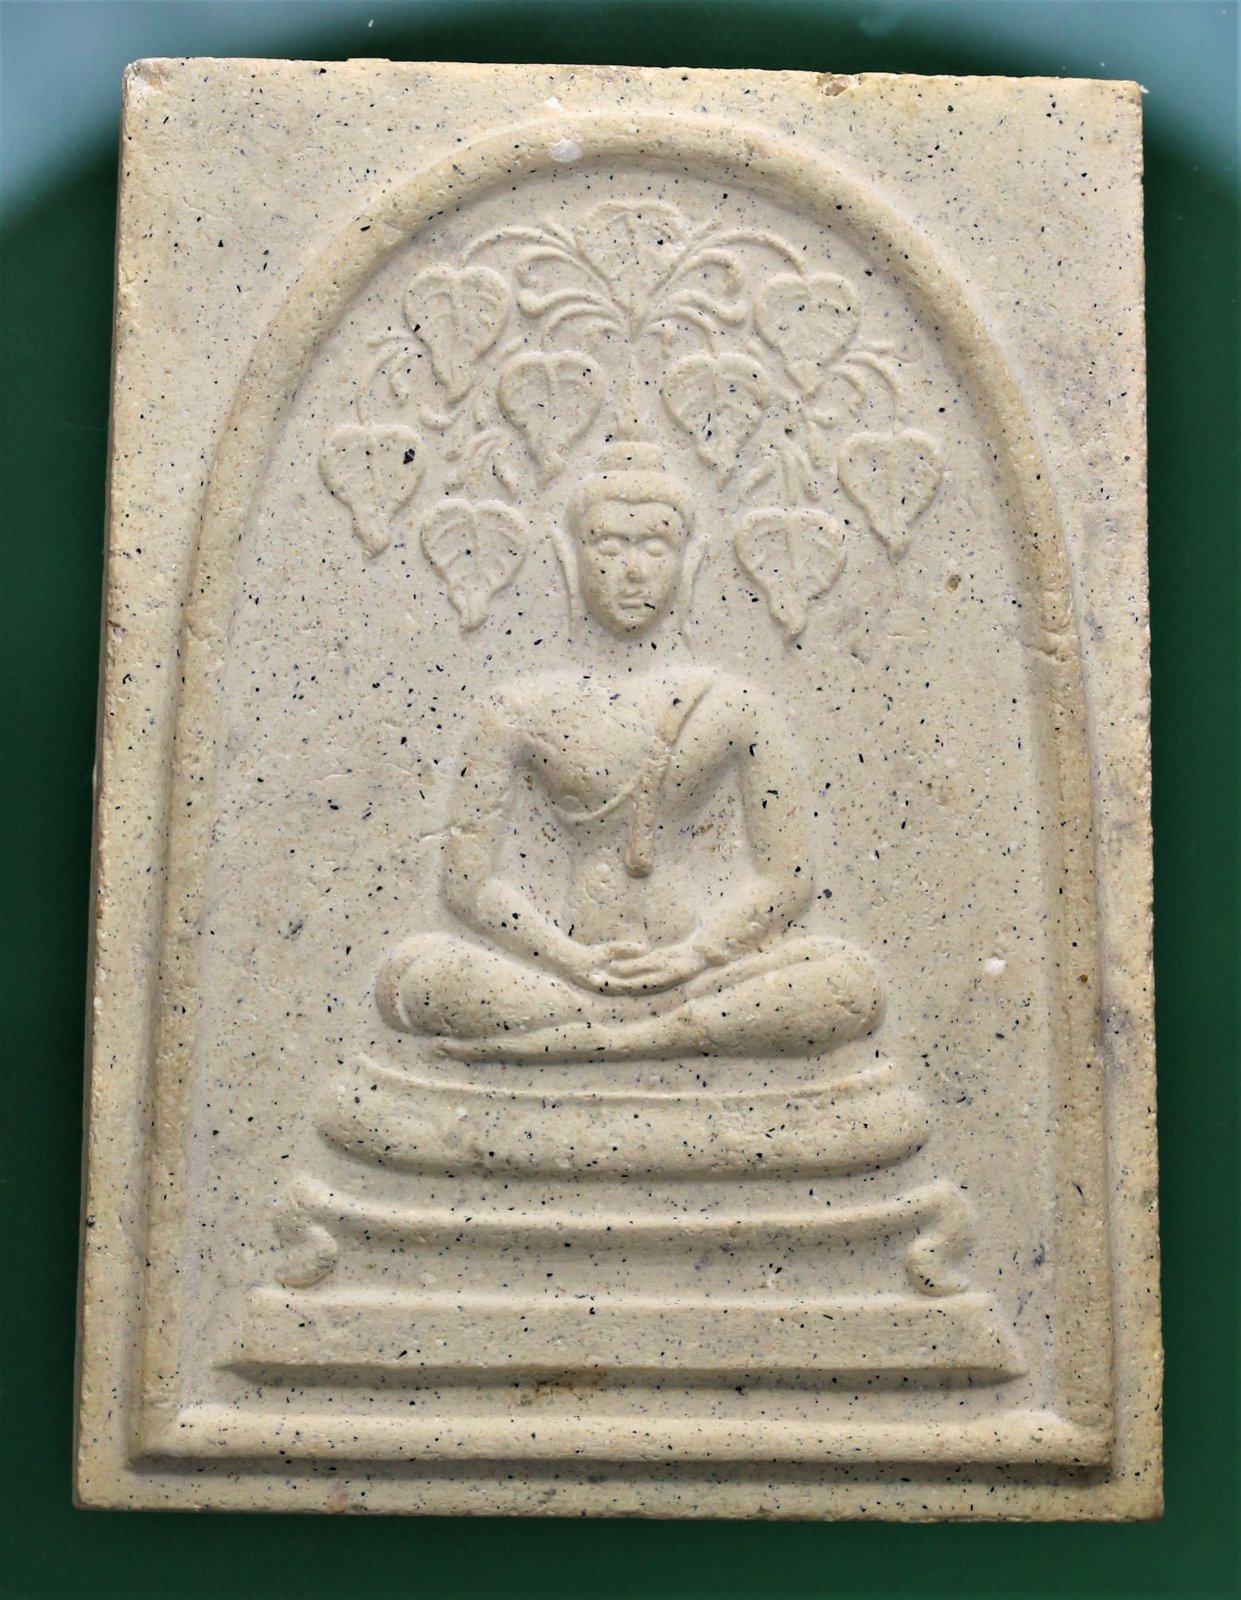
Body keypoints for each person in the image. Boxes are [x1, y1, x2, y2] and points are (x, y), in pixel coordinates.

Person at [377, 445, 881, 1060]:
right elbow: (468, 885)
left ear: (691, 564)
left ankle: (606, 1039)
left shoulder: (735, 705)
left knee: (849, 983)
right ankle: (658, 1033)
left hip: (701, 974)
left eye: (655, 549)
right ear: (569, 560)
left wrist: (694, 955)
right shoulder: (517, 708)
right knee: (417, 976)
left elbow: (787, 877)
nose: (633, 572)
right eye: (610, 549)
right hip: (561, 976)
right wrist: (569, 959)